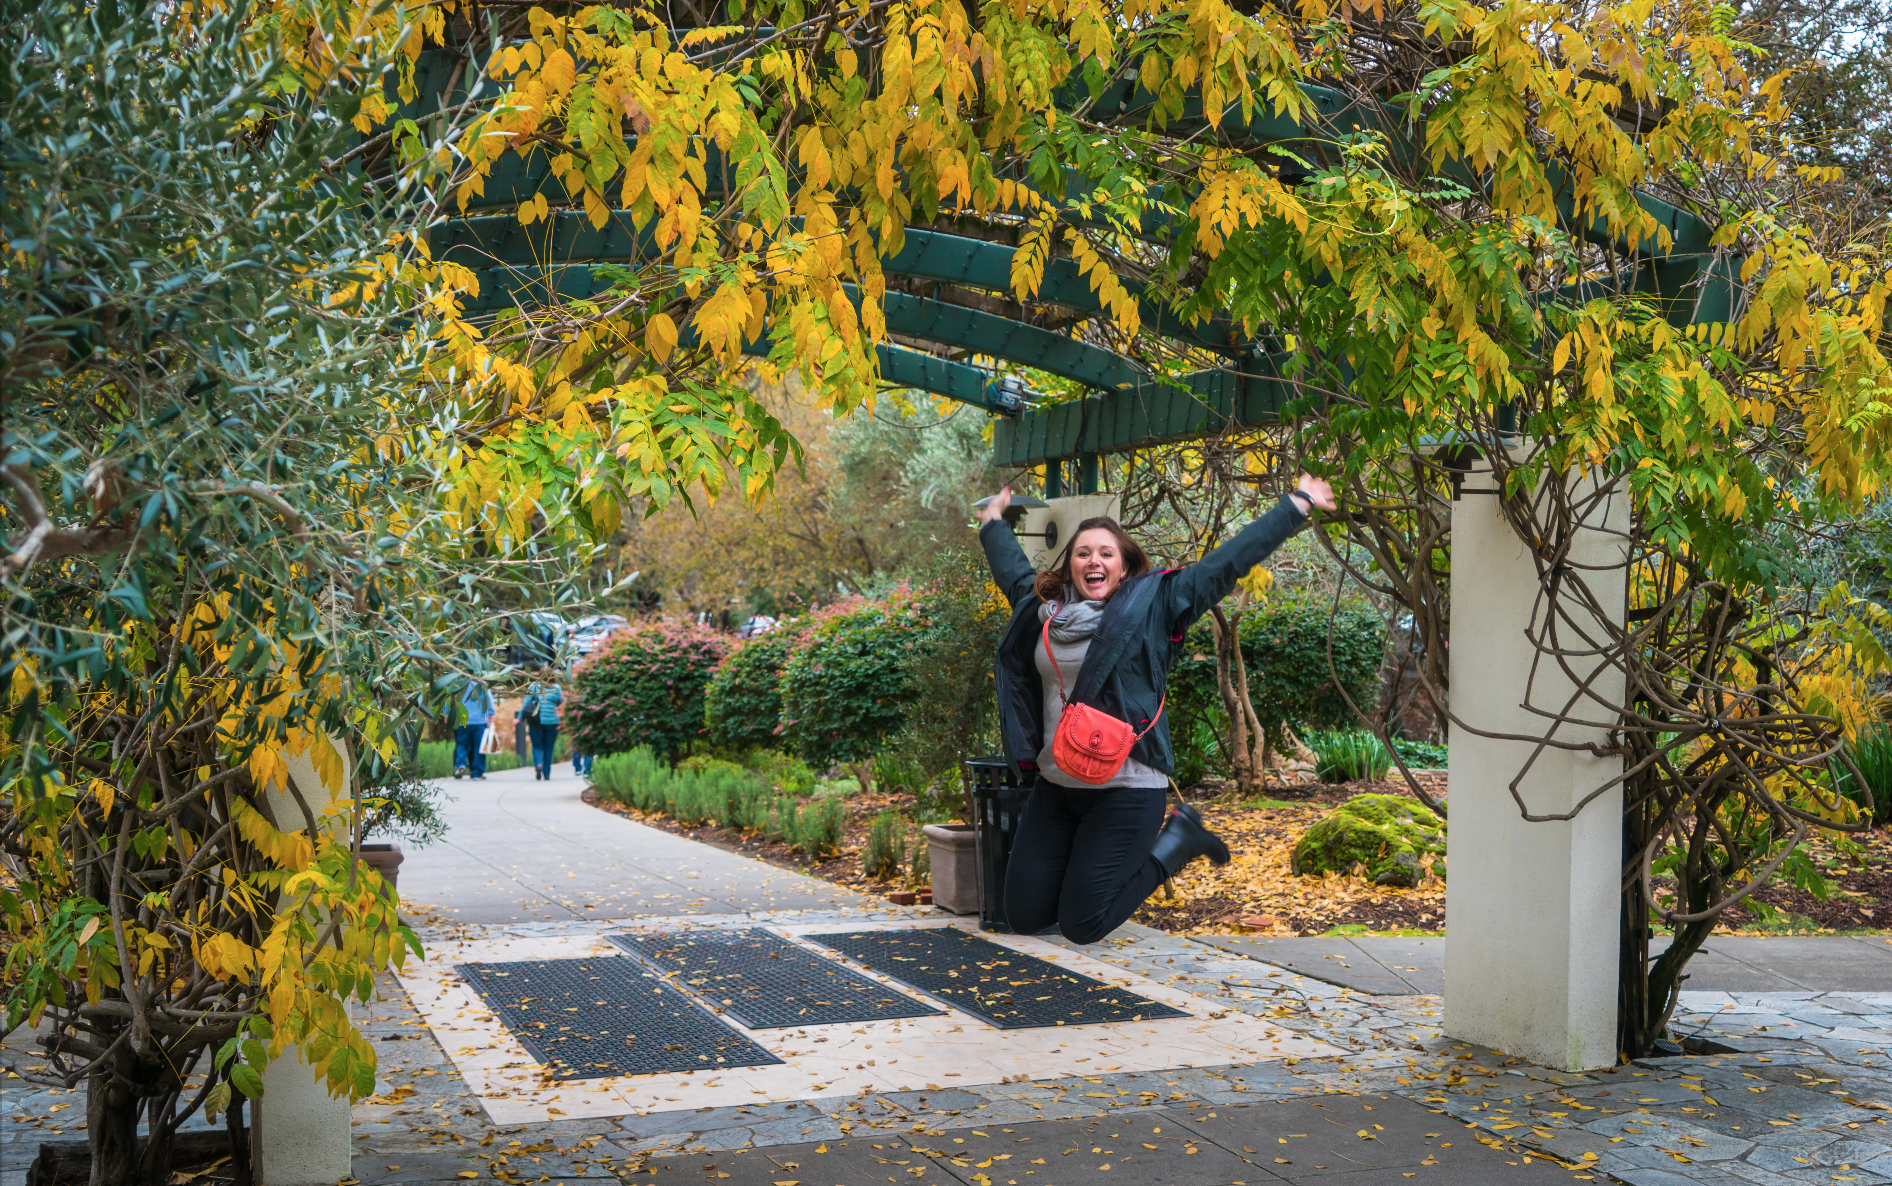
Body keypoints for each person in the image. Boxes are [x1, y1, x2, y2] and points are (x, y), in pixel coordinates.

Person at [975, 473, 1337, 943]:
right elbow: (1015, 575)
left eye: (1106, 552)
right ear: (1070, 567)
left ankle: (1178, 842)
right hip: (1058, 785)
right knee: (1024, 915)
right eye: (1083, 553)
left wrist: (1296, 506)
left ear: (1124, 566)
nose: (1094, 561)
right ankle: (1089, 875)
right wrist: (992, 525)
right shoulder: (1045, 610)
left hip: (1126, 787)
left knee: (1082, 924)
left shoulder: (1156, 605)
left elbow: (1223, 565)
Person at [453, 678, 497, 780]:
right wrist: (491, 713)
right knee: (479, 747)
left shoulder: (457, 683)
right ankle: (477, 773)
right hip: (479, 720)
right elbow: (488, 698)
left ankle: (460, 764)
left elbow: (450, 699)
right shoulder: (481, 683)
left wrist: (447, 713)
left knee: (462, 744)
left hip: (462, 720)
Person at [524, 678, 564, 780]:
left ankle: (538, 764)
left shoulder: (534, 686)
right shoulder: (557, 688)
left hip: (536, 721)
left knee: (536, 746)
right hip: (553, 722)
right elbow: (562, 703)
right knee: (549, 747)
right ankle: (546, 774)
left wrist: (519, 717)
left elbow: (526, 702)